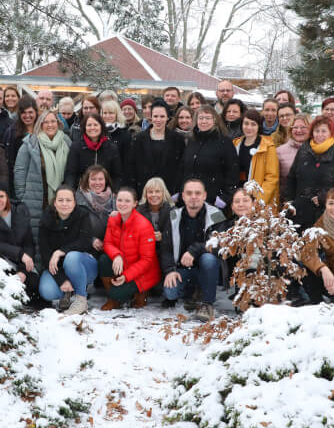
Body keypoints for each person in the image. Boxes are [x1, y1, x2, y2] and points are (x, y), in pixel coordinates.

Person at [162, 178, 225, 319]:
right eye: (189, 193)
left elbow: (218, 244)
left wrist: (193, 250)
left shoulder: (216, 214)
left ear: (204, 195)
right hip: (182, 269)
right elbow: (165, 248)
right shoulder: (173, 216)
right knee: (170, 293)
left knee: (208, 258)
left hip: (207, 270)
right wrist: (170, 271)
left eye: (198, 193)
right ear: (183, 196)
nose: (193, 197)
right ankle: (192, 292)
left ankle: (207, 303)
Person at [284, 115, 334, 230]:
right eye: (316, 131)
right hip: (300, 213)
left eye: (324, 131)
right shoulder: (304, 151)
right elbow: (291, 177)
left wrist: (325, 197)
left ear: (331, 133)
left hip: (329, 214)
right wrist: (289, 202)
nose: (320, 135)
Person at [97, 186, 160, 310]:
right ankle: (113, 298)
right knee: (104, 260)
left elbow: (147, 260)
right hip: (124, 262)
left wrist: (126, 276)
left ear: (135, 204)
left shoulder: (143, 225)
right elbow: (107, 243)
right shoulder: (113, 219)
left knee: (119, 294)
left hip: (142, 272)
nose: (122, 204)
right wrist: (117, 255)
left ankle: (140, 293)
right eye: (120, 200)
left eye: (127, 201)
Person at [13, 109, 70, 244]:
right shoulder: (29, 144)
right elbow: (19, 171)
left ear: (58, 123)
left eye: (53, 121)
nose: (50, 125)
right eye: (46, 122)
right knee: (37, 238)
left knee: (60, 237)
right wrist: (22, 196)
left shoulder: (67, 143)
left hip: (61, 201)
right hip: (35, 200)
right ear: (40, 124)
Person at [38, 186, 97, 315]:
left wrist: (60, 251)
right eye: (61, 200)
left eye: (68, 200)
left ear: (74, 202)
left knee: (71, 257)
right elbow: (45, 254)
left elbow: (85, 242)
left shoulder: (82, 214)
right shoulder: (46, 220)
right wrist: (62, 279)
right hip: (58, 267)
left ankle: (81, 300)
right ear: (55, 203)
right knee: (47, 291)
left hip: (83, 265)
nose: (64, 204)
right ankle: (67, 291)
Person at [182, 105, 238, 207]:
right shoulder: (191, 141)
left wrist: (224, 197)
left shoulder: (224, 142)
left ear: (215, 120)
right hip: (190, 198)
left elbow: (232, 172)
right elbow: (184, 169)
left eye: (208, 118)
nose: (204, 121)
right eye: (201, 118)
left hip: (213, 200)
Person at [130, 100, 185, 196]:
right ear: (151, 117)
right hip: (144, 192)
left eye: (162, 116)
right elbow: (132, 167)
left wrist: (178, 192)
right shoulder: (138, 139)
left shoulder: (177, 139)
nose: (158, 120)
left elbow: (181, 167)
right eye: (155, 116)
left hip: (169, 193)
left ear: (168, 117)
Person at [64, 113, 124, 188]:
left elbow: (117, 175)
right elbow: (70, 173)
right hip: (82, 191)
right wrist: (71, 191)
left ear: (101, 127)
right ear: (84, 128)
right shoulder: (76, 147)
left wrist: (114, 191)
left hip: (106, 192)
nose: (92, 128)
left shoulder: (111, 148)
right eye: (89, 125)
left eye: (95, 125)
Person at [236, 109, 280, 206]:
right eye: (246, 123)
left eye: (253, 124)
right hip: (238, 197)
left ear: (259, 126)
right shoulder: (235, 144)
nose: (249, 127)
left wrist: (259, 199)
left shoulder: (268, 147)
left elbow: (271, 178)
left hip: (257, 200)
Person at [76, 165, 116, 242]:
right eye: (93, 179)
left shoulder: (116, 199)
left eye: (100, 179)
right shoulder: (78, 200)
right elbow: (75, 229)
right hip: (87, 246)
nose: (97, 183)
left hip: (112, 246)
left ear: (106, 180)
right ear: (87, 181)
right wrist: (91, 240)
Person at [4, 96, 39, 179]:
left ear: (36, 112)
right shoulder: (11, 132)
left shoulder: (42, 130)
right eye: (24, 112)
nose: (27, 116)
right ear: (19, 114)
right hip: (19, 177)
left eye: (30, 112)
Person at [277, 113, 311, 187]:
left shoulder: (318, 149)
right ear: (290, 129)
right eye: (295, 127)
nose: (299, 130)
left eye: (303, 127)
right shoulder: (279, 151)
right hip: (288, 197)